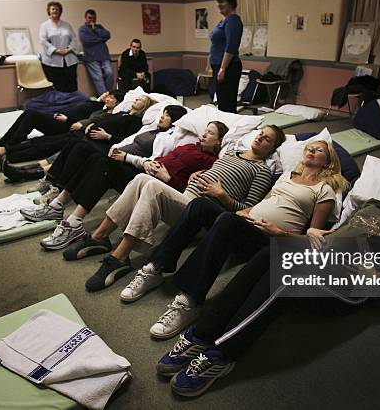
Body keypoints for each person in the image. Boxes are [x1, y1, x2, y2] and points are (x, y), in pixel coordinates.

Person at [158, 176, 380, 397]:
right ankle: (203, 334)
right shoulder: (373, 206)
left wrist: (376, 274)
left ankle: (224, 353)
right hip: (317, 255)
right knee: (271, 251)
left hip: (346, 287)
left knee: (291, 273)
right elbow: (332, 236)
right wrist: (311, 231)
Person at [130, 141, 348, 339]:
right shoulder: (287, 175)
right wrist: (242, 214)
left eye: (319, 150)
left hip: (270, 240)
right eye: (310, 147)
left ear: (328, 161)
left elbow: (313, 238)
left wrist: (280, 232)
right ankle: (156, 267)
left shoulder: (324, 190)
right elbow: (262, 204)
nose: (311, 150)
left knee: (226, 220)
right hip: (247, 225)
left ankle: (189, 301)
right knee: (201, 205)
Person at [67, 125, 286, 292]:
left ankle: (119, 257)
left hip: (205, 214)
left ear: (272, 148)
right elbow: (209, 172)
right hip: (185, 196)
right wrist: (194, 176)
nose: (260, 137)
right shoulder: (229, 154)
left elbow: (247, 210)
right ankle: (99, 236)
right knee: (142, 179)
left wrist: (222, 195)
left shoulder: (262, 171)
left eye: (267, 138)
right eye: (261, 133)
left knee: (152, 186)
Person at [24, 111, 229, 253]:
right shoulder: (188, 147)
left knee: (105, 165)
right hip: (145, 172)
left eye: (210, 133)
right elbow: (158, 160)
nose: (204, 134)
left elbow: (188, 194)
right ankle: (58, 204)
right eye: (205, 130)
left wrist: (168, 178)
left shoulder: (212, 163)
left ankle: (74, 223)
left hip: (160, 187)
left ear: (219, 141)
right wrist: (148, 163)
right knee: (95, 156)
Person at [0, 92, 124, 167]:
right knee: (30, 113)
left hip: (69, 127)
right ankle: (2, 145)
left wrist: (69, 120)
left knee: (42, 143)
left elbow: (89, 125)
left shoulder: (109, 114)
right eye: (108, 95)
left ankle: (6, 150)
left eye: (111, 97)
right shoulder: (98, 106)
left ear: (118, 103)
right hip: (65, 122)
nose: (107, 97)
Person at [210, 0, 243, 113]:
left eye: (222, 1)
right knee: (222, 103)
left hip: (228, 67)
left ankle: (229, 130)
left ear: (230, 2)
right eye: (218, 2)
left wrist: (222, 69)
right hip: (219, 65)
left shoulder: (233, 21)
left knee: (227, 105)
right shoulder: (225, 21)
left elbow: (231, 48)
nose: (219, 5)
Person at [39, 1, 78, 92]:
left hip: (69, 61)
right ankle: (60, 105)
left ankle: (72, 104)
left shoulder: (67, 25)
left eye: (57, 9)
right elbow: (43, 41)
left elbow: (74, 39)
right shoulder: (44, 26)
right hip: (52, 62)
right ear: (49, 11)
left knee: (71, 84)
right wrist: (56, 50)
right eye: (53, 9)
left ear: (60, 11)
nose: (55, 11)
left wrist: (68, 49)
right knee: (58, 86)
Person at [79, 9, 113, 96]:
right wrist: (101, 39)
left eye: (94, 18)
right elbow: (86, 41)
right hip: (91, 57)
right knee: (98, 77)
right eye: (90, 18)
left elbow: (108, 35)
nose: (92, 20)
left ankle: (108, 94)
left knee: (109, 73)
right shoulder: (82, 29)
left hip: (104, 56)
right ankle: (105, 99)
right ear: (85, 18)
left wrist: (96, 30)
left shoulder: (99, 27)